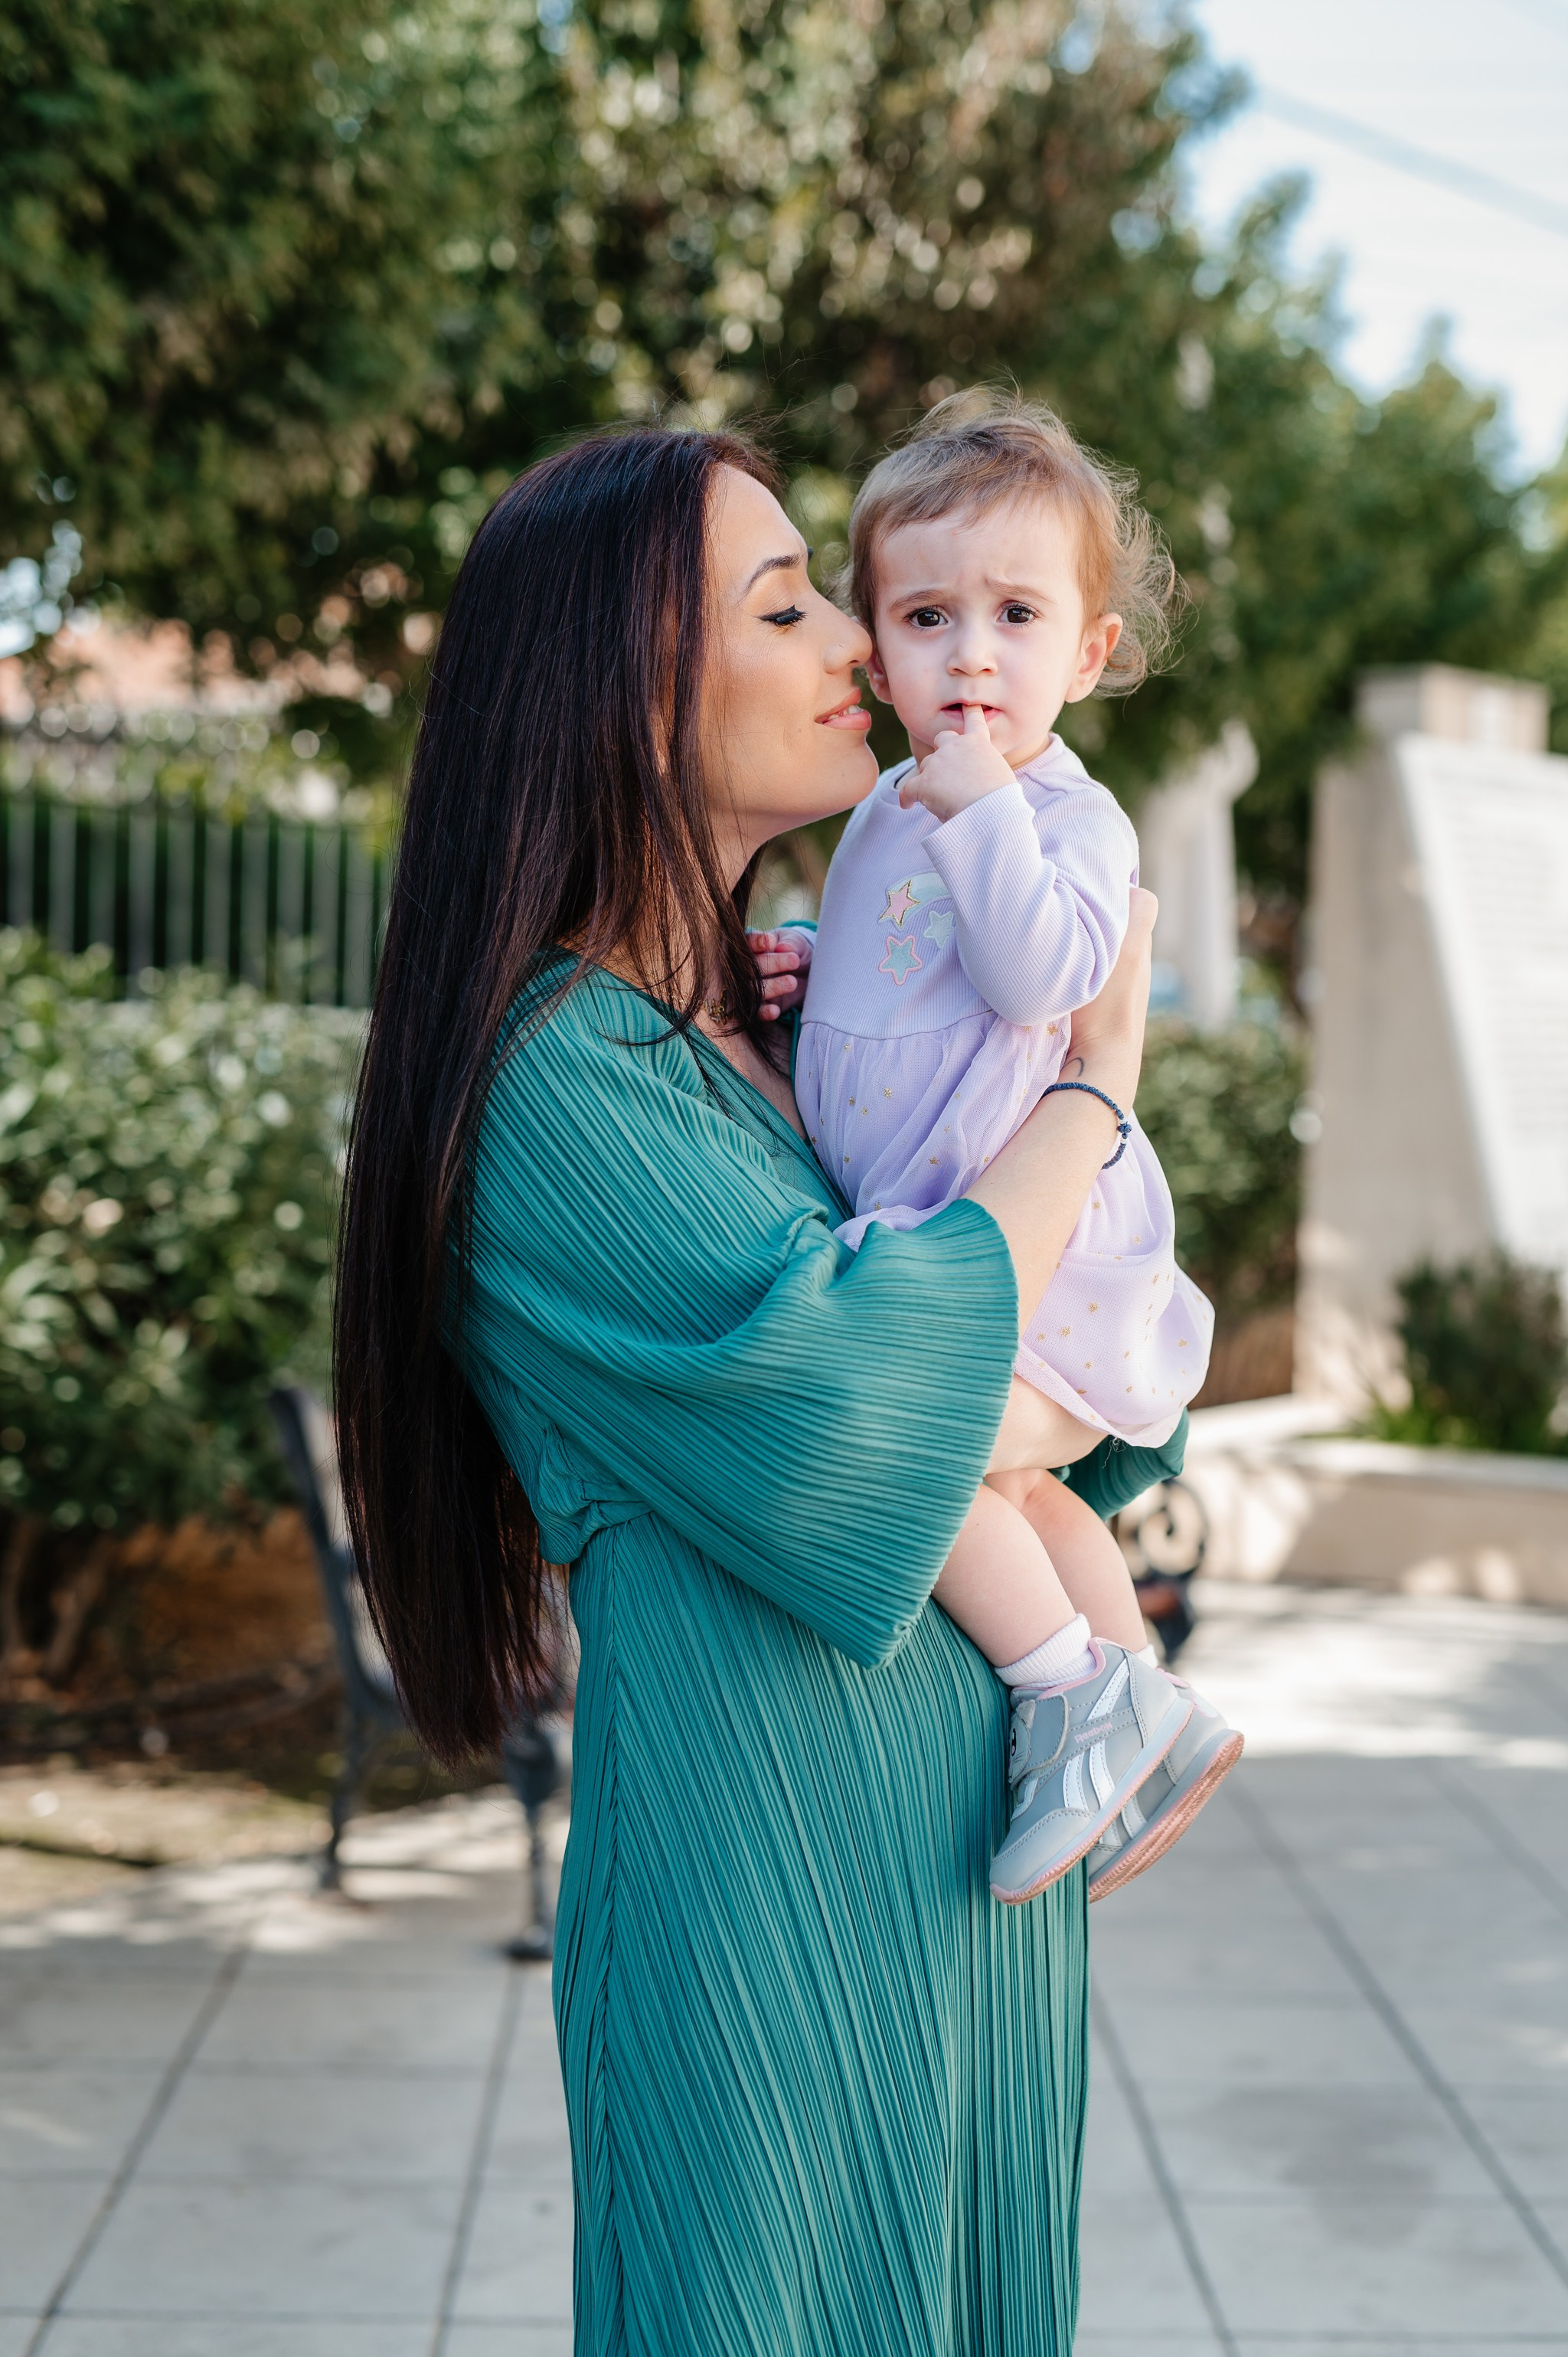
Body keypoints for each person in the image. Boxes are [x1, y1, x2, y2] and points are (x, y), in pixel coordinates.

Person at [335, 423, 1168, 2356]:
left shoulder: (776, 1027)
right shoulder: (560, 1074)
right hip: (768, 1933)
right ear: (623, 688)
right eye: (789, 603)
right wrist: (1093, 1084)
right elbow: (870, 1412)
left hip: (972, 1903)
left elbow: (1082, 1407)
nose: (864, 652)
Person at [751, 394, 1241, 1905]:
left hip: (1035, 1254)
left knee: (935, 1455)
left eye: (1016, 614)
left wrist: (982, 817)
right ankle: (1143, 1706)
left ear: (1084, 655)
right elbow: (898, 995)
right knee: (1023, 1501)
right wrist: (803, 959)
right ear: (875, 650)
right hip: (942, 1230)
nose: (970, 652)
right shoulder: (889, 809)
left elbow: (1040, 983)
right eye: (924, 614)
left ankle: (1061, 1692)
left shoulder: (1058, 816)